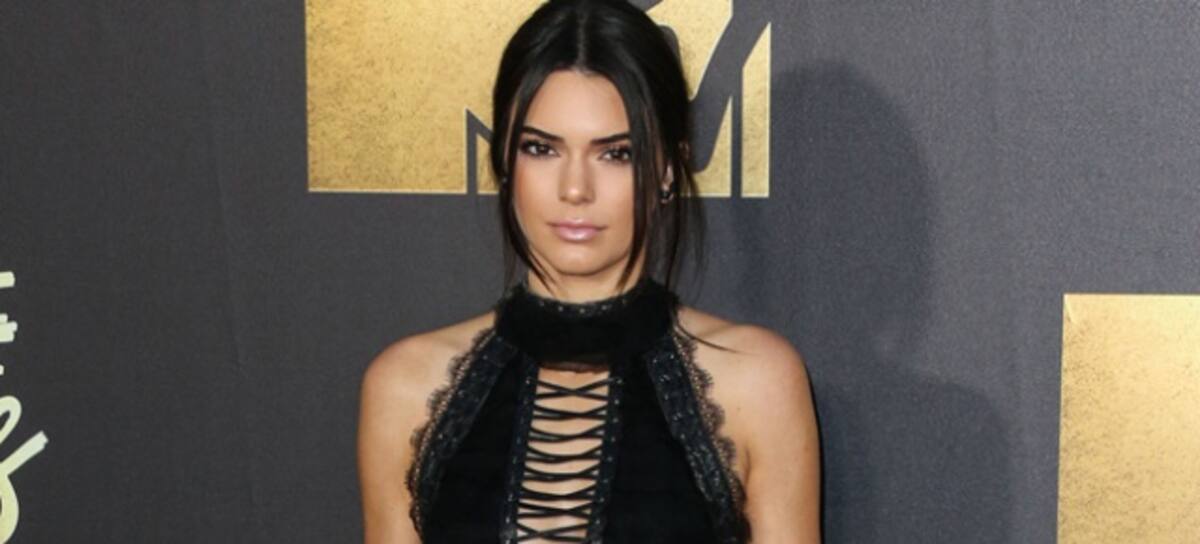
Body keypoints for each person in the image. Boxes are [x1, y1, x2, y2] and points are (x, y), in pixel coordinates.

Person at [357, 1, 819, 542]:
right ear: (503, 159)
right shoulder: (405, 387)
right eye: (541, 149)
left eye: (616, 154)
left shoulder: (757, 383)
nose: (575, 189)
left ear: (668, 169)